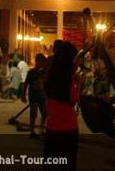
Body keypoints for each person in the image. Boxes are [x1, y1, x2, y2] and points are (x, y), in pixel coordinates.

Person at [44, 41, 79, 171]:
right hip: (68, 127)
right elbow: (73, 100)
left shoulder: (50, 76)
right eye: (74, 58)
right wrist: (78, 84)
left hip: (52, 125)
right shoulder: (67, 79)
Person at [22, 53, 48, 139]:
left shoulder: (45, 72)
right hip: (33, 96)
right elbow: (26, 84)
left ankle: (42, 129)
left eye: (43, 62)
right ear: (37, 61)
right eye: (41, 61)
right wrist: (23, 95)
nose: (42, 63)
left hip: (43, 96)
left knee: (44, 113)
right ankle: (32, 132)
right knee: (33, 114)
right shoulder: (31, 72)